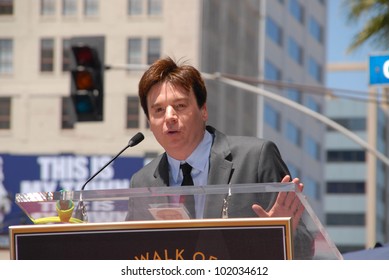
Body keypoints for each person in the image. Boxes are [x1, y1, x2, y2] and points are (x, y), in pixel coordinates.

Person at [127, 56, 313, 259]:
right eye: (158, 110)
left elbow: (305, 246)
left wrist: (282, 234)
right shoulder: (142, 181)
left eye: (180, 106)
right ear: (149, 121)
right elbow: (130, 252)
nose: (169, 117)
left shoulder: (255, 158)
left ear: (203, 110)